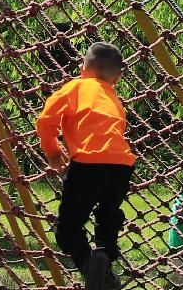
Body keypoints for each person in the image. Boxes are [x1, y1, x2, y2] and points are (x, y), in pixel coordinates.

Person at [37, 42, 136, 290]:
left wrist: (52, 150)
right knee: (108, 215)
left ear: (83, 68)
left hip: (88, 164)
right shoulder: (114, 98)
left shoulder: (75, 86)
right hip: (122, 165)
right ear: (117, 77)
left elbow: (46, 119)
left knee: (67, 229)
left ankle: (88, 264)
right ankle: (104, 255)